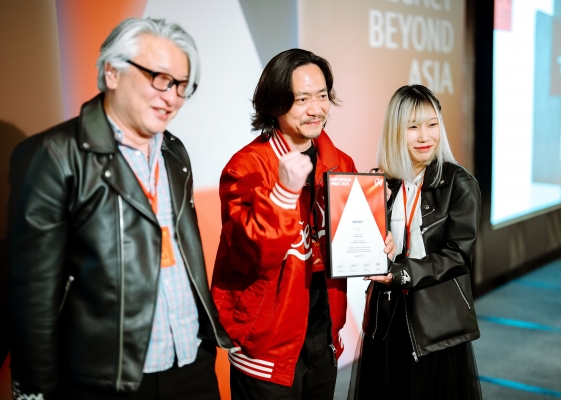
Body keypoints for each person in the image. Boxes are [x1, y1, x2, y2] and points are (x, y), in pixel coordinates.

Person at [7, 18, 232, 400]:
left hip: (191, 362)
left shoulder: (174, 151)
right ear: (112, 72)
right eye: (159, 78)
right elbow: (33, 295)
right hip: (109, 378)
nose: (172, 97)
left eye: (182, 85)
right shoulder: (55, 155)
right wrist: (34, 390)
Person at [211, 48, 395, 400]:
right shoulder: (246, 167)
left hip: (323, 334)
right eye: (302, 99)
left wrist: (377, 243)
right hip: (266, 345)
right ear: (275, 103)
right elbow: (252, 256)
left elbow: (345, 247)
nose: (316, 109)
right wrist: (283, 193)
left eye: (322, 96)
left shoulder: (340, 163)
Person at [348, 85, 482, 400]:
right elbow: (371, 246)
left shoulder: (459, 183)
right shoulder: (383, 182)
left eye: (432, 124)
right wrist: (370, 207)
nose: (425, 136)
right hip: (388, 318)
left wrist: (402, 272)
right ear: (396, 130)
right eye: (413, 127)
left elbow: (458, 256)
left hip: (435, 322)